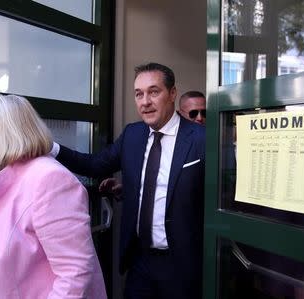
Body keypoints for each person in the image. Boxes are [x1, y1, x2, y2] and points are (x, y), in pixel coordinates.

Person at [53, 62, 205, 299]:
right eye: (139, 94)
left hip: (182, 266)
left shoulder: (201, 139)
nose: (145, 101)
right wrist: (50, 148)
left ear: (172, 93)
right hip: (140, 262)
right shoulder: (133, 135)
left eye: (154, 92)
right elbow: (94, 164)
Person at [0, 94, 107, 299]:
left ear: (5, 134)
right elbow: (20, 250)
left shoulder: (50, 180)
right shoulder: (14, 175)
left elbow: (75, 275)